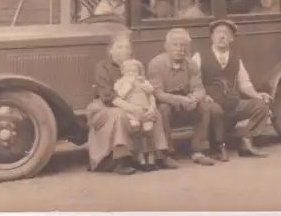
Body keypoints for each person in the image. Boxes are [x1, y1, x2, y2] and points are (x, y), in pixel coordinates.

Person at [85, 32, 169, 175]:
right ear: (111, 50)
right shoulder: (103, 67)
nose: (124, 51)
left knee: (154, 114)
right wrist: (132, 109)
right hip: (108, 105)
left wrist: (150, 107)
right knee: (120, 116)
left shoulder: (135, 66)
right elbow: (107, 96)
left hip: (136, 103)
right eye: (119, 47)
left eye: (127, 48)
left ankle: (157, 156)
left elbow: (147, 90)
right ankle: (120, 160)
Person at [192, 19, 272, 159]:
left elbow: (244, 83)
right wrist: (203, 96)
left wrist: (257, 95)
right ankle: (218, 146)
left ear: (231, 39)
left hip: (233, 105)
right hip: (212, 105)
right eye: (218, 33)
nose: (221, 36)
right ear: (212, 37)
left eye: (226, 33)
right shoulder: (199, 57)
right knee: (213, 110)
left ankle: (246, 142)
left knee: (262, 105)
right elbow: (193, 82)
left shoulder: (235, 57)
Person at [148, 28, 216, 166]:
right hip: (167, 103)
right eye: (175, 45)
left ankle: (198, 150)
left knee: (204, 106)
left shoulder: (191, 64)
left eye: (183, 45)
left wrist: (194, 99)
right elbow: (158, 93)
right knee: (163, 109)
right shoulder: (156, 64)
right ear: (166, 47)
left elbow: (199, 88)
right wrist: (178, 100)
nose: (180, 49)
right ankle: (166, 154)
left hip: (186, 104)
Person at [114, 59, 158, 171]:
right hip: (131, 111)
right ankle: (139, 156)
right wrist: (129, 84)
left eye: (135, 71)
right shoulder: (121, 83)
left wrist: (143, 85)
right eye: (128, 72)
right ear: (123, 73)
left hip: (145, 109)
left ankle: (151, 154)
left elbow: (151, 92)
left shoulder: (143, 82)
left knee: (148, 131)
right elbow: (120, 95)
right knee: (135, 130)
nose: (132, 74)